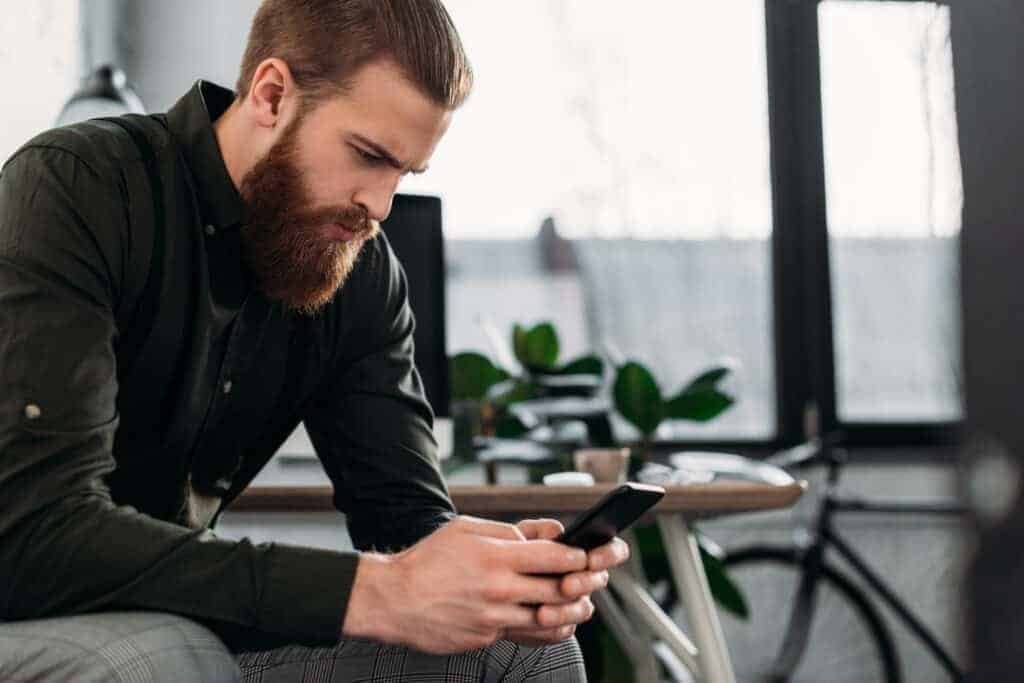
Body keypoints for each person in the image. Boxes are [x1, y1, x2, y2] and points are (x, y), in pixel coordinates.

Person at [0, 1, 629, 681]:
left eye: (405, 174)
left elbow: (406, 523)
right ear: (271, 95)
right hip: (27, 607)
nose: (381, 206)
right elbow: (38, 534)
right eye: (367, 155)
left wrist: (491, 577)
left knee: (516, 656)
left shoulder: (358, 273)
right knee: (162, 660)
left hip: (182, 621)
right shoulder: (77, 186)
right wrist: (372, 589)